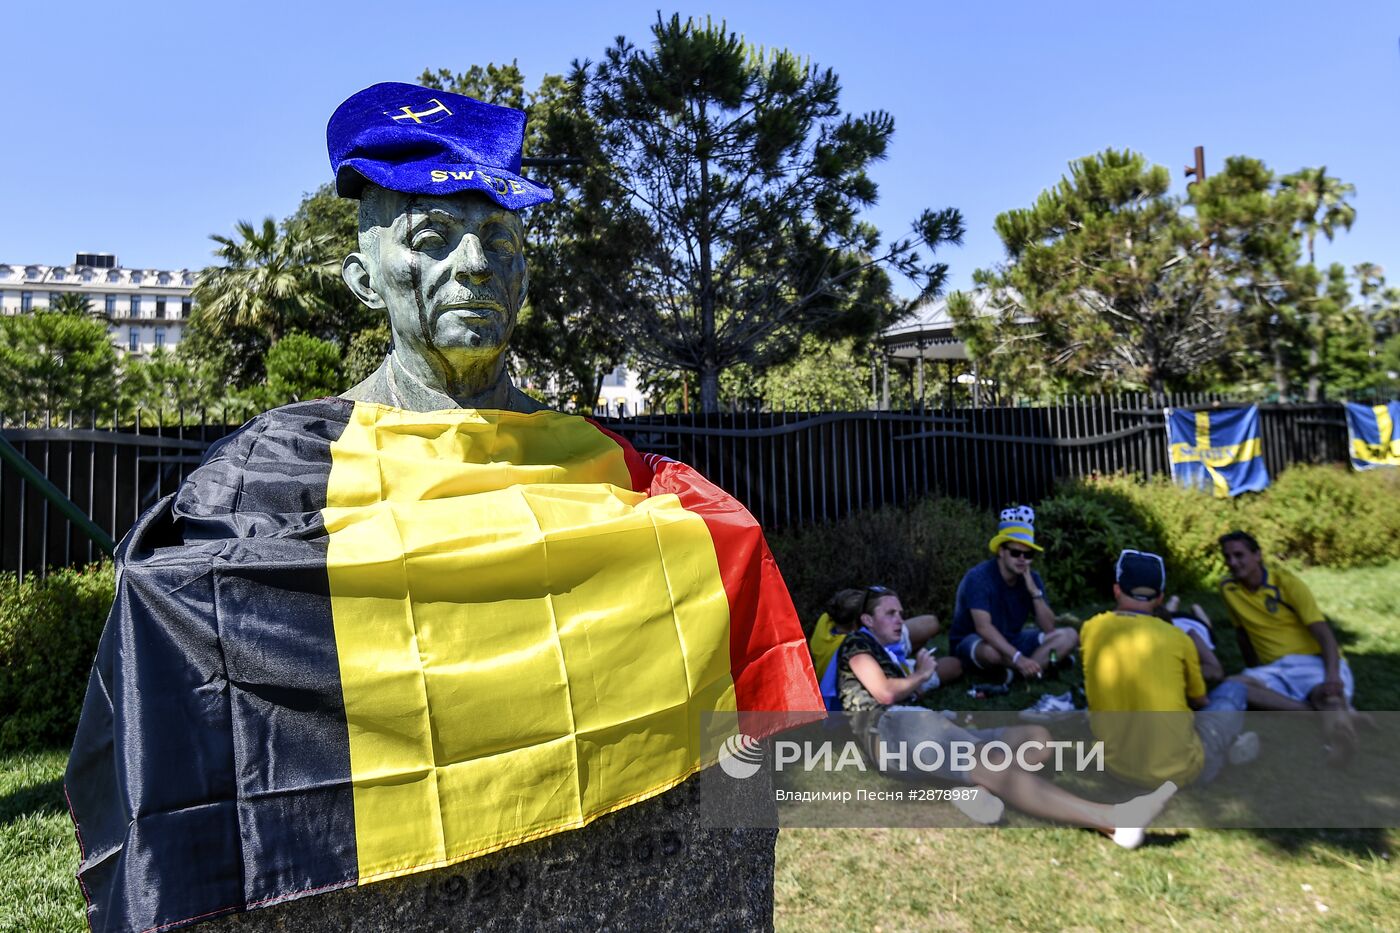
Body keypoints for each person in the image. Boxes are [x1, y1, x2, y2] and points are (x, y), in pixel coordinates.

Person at [64, 82, 820, 933]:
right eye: (432, 238)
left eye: (499, 238)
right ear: (363, 276)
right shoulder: (265, 480)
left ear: (526, 271)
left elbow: (729, 575)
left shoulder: (614, 470)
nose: (474, 266)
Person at [837, 586, 1178, 848]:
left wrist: (919, 678)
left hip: (918, 725)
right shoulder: (855, 643)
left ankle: (969, 788)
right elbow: (883, 693)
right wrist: (922, 675)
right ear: (867, 620)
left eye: (900, 612)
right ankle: (1114, 820)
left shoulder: (888, 653)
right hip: (891, 730)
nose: (900, 618)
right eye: (890, 613)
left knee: (1037, 739)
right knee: (991, 764)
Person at [1082, 550, 1257, 788]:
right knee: (1235, 690)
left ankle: (1227, 745)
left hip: (1114, 768)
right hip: (1179, 774)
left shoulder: (1090, 628)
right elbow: (1200, 700)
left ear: (1116, 590)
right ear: (1160, 598)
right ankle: (1227, 749)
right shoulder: (1178, 638)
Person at [1218, 530, 1366, 760]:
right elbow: (1242, 633)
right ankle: (1334, 714)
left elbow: (1324, 634)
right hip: (1275, 670)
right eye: (1227, 557)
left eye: (1239, 555)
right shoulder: (1228, 589)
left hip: (1310, 662)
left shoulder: (1287, 584)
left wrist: (1333, 676)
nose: (1233, 562)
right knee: (1233, 686)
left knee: (1327, 696)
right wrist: (1254, 670)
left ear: (1257, 555)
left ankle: (1340, 741)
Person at [948, 505, 1078, 681]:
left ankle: (1024, 671)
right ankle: (1040, 665)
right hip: (974, 641)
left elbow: (1049, 627)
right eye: (1016, 553)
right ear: (1001, 551)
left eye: (1028, 554)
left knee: (1069, 635)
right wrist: (1018, 657)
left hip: (1013, 640)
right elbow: (983, 628)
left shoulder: (1032, 578)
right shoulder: (978, 577)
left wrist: (1034, 592)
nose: (1022, 559)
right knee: (991, 652)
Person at [809, 586, 948, 702]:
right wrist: (920, 673)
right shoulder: (857, 649)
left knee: (929, 625)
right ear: (865, 621)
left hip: (881, 647)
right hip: (885, 673)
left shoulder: (825, 620)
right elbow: (892, 691)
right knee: (951, 665)